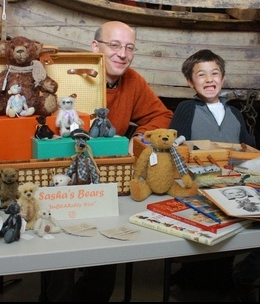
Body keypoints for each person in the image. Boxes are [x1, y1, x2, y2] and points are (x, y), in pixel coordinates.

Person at [44, 21, 173, 302]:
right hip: (61, 175)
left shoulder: (134, 81)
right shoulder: (67, 77)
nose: (122, 54)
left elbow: (161, 116)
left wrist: (136, 137)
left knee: (106, 256)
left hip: (108, 177)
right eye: (114, 45)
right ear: (95, 47)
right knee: (59, 255)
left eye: (129, 48)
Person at [168, 49, 260, 301]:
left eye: (214, 73)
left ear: (223, 78)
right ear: (190, 82)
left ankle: (232, 278)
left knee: (250, 242)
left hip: (232, 183)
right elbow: (176, 147)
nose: (209, 79)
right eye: (201, 74)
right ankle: (199, 284)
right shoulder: (188, 108)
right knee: (207, 247)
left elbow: (249, 148)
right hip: (199, 185)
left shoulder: (235, 113)